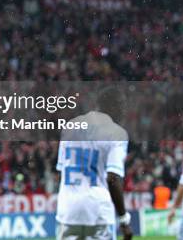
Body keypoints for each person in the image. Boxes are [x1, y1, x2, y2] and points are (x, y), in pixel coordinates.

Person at [55, 88, 133, 240]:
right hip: (99, 211)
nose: (125, 111)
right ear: (113, 107)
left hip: (68, 211)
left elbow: (62, 170)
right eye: (122, 106)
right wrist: (123, 219)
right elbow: (113, 178)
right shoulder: (117, 133)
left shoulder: (70, 126)